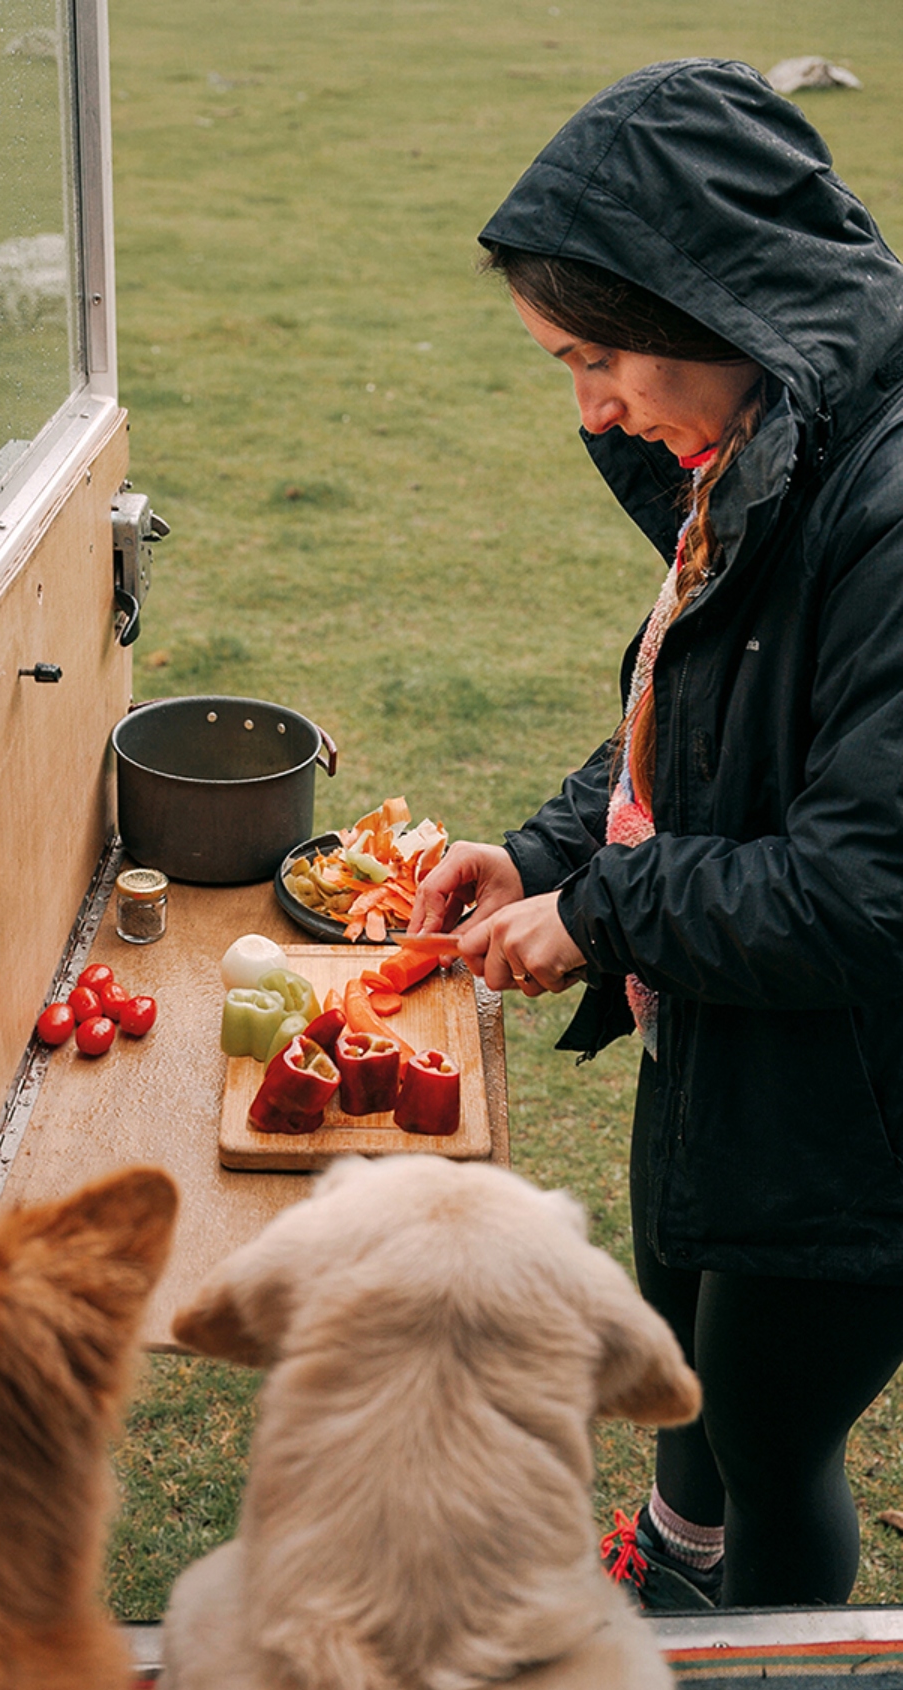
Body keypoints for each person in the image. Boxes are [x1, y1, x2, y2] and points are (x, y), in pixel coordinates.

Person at [410, 57, 903, 1611]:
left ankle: (768, 1648)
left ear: (716, 301)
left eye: (598, 355)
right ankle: (674, 1557)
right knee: (682, 1335)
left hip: (855, 1113)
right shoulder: (761, 446)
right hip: (730, 1041)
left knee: (770, 1438)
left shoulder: (880, 511)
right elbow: (701, 715)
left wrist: (605, 910)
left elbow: (866, 888)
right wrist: (552, 854)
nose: (594, 406)